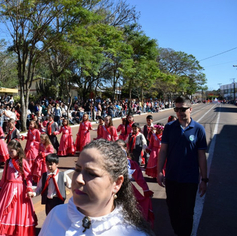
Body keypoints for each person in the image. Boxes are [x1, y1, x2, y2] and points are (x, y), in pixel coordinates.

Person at [39, 139, 152, 236]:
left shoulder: (133, 233)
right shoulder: (56, 214)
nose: (78, 179)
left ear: (117, 183)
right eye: (77, 170)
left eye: (92, 174)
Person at [157, 96, 208, 236]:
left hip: (190, 179)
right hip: (172, 178)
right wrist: (159, 172)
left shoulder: (198, 129)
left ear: (190, 109)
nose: (180, 112)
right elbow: (163, 151)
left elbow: (201, 156)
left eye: (183, 109)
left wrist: (204, 179)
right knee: (173, 210)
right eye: (177, 109)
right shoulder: (169, 128)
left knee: (186, 213)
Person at [0, 140, 37, 236]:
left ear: (18, 150)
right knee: (3, 210)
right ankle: (2, 229)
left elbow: (28, 176)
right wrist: (0, 187)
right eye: (8, 151)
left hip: (19, 189)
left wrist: (29, 188)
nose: (10, 153)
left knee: (18, 211)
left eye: (12, 151)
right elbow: (4, 176)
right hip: (7, 188)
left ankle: (16, 229)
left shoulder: (23, 162)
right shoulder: (8, 161)